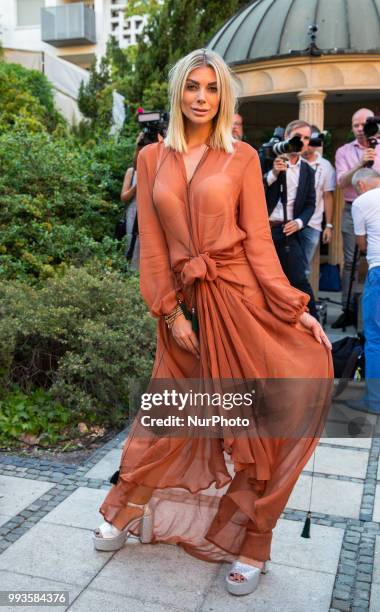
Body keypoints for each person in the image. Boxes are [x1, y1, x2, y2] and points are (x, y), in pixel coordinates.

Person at [93, 48, 332, 597]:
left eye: (212, 89)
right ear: (179, 92)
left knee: (255, 427)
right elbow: (152, 244)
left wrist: (296, 308)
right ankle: (125, 510)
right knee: (169, 416)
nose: (201, 97)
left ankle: (254, 543)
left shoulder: (243, 157)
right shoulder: (154, 158)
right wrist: (170, 311)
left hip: (241, 301)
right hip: (183, 304)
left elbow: (259, 244)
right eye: (193, 87)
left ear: (223, 98)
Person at [263, 120, 318, 317]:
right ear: (286, 137)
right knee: (263, 281)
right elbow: (252, 193)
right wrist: (273, 173)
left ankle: (315, 328)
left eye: (306, 138)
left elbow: (311, 203)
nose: (302, 142)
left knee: (298, 279)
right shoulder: (267, 157)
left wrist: (300, 222)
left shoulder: (309, 171)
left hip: (289, 231)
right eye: (298, 137)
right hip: (263, 230)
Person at [333, 108, 380, 329]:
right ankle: (348, 309)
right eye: (356, 125)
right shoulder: (344, 151)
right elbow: (342, 183)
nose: (360, 129)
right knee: (350, 262)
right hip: (353, 208)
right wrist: (361, 164)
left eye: (365, 124)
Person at [347, 168, 380, 414]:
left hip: (378, 271)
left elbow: (361, 243)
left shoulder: (361, 202)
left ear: (360, 186)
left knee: (375, 338)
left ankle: (374, 400)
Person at [301, 125, 336, 275]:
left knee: (304, 269)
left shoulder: (326, 166)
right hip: (289, 222)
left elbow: (327, 196)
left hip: (313, 224)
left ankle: (301, 298)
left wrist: (328, 225)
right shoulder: (290, 161)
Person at [120, 134, 144, 271]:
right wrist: (136, 187)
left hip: (150, 214)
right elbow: (124, 197)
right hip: (133, 213)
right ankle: (131, 274)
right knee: (131, 244)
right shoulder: (132, 171)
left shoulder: (158, 169)